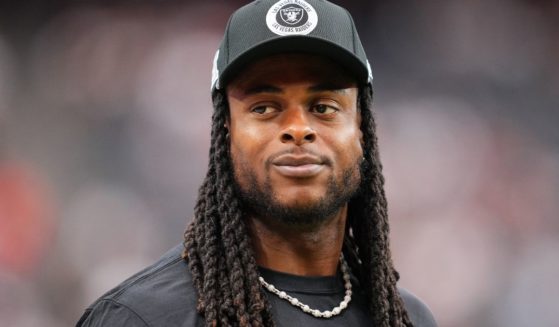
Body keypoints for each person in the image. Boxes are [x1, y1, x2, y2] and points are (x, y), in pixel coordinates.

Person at [77, 0, 437, 326]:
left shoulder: (406, 320)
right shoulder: (141, 319)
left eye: (323, 107)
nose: (298, 129)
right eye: (264, 108)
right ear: (226, 132)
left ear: (361, 129)